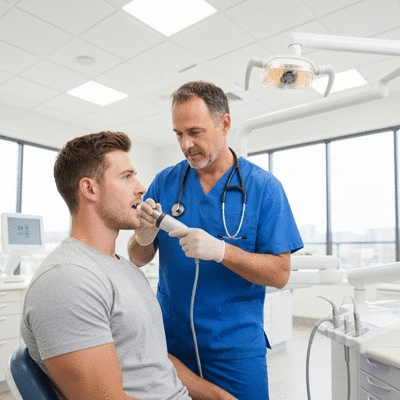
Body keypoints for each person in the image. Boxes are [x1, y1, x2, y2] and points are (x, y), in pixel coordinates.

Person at [21, 131, 236, 400]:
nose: (141, 187)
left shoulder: (126, 270)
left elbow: (151, 361)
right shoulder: (67, 281)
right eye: (126, 176)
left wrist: (218, 396)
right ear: (89, 189)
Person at [128, 81, 304, 399]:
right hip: (170, 344)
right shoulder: (165, 182)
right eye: (179, 134)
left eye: (195, 132)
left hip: (234, 349)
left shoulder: (264, 189)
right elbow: (138, 257)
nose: (186, 144)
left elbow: (280, 274)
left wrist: (223, 251)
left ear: (224, 124)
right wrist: (143, 236)